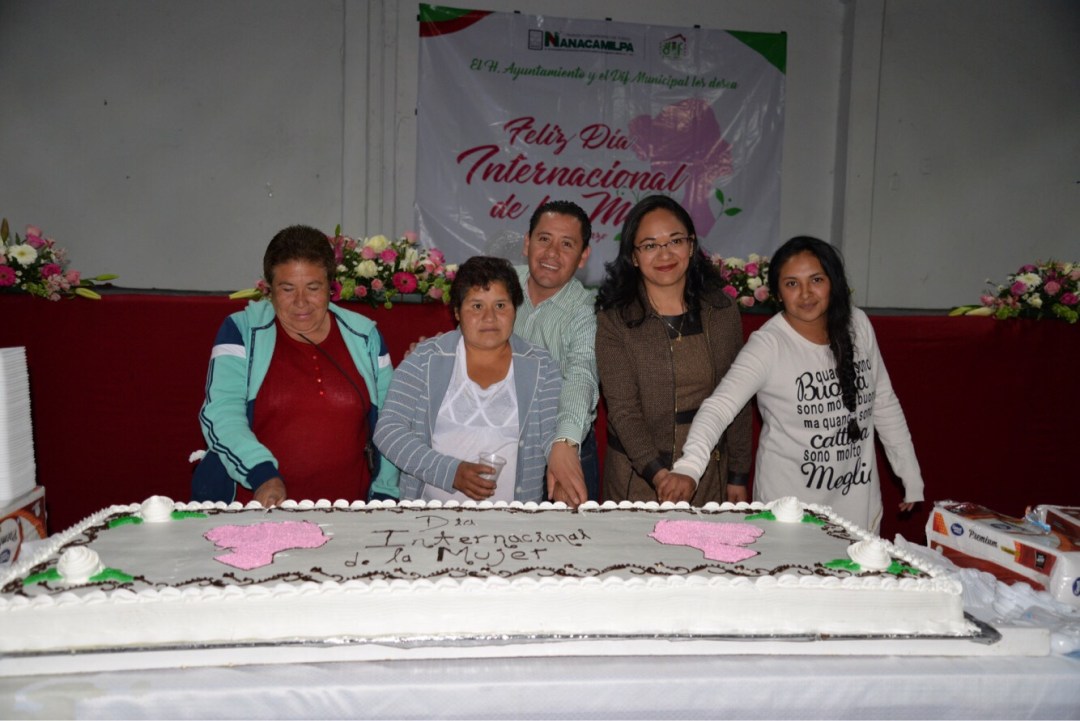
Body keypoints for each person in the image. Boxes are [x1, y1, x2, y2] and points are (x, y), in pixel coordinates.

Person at [669, 236, 924, 532]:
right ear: (777, 293)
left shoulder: (858, 325)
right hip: (789, 515)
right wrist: (689, 467)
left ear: (833, 282)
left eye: (816, 280)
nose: (805, 294)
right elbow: (719, 407)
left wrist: (909, 473)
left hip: (857, 508)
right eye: (792, 284)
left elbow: (883, 401)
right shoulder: (768, 345)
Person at [192, 225, 398, 507]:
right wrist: (262, 474)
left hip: (349, 514)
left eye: (313, 288)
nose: (301, 302)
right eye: (287, 289)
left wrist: (385, 494)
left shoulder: (365, 336)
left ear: (331, 286)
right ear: (269, 289)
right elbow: (221, 415)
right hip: (254, 509)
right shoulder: (241, 331)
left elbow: (391, 422)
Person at [594, 194, 753, 505]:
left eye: (675, 241)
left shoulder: (721, 311)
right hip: (638, 479)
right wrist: (660, 476)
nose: (665, 254)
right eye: (650, 245)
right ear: (633, 256)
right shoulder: (615, 321)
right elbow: (624, 412)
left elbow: (738, 399)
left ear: (691, 246)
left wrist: (738, 474)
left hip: (709, 475)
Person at [374, 256, 562, 502]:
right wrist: (450, 472)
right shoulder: (426, 359)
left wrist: (563, 473)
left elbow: (554, 437)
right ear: (457, 312)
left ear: (516, 309)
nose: (489, 317)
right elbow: (388, 430)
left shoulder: (541, 366)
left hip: (513, 521)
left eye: (500, 305)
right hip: (429, 518)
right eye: (476, 306)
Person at [514, 200, 600, 505]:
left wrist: (564, 443)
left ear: (583, 256)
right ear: (527, 243)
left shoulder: (586, 310)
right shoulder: (501, 285)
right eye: (544, 239)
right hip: (499, 439)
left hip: (564, 440)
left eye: (567, 244)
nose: (552, 253)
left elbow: (581, 374)